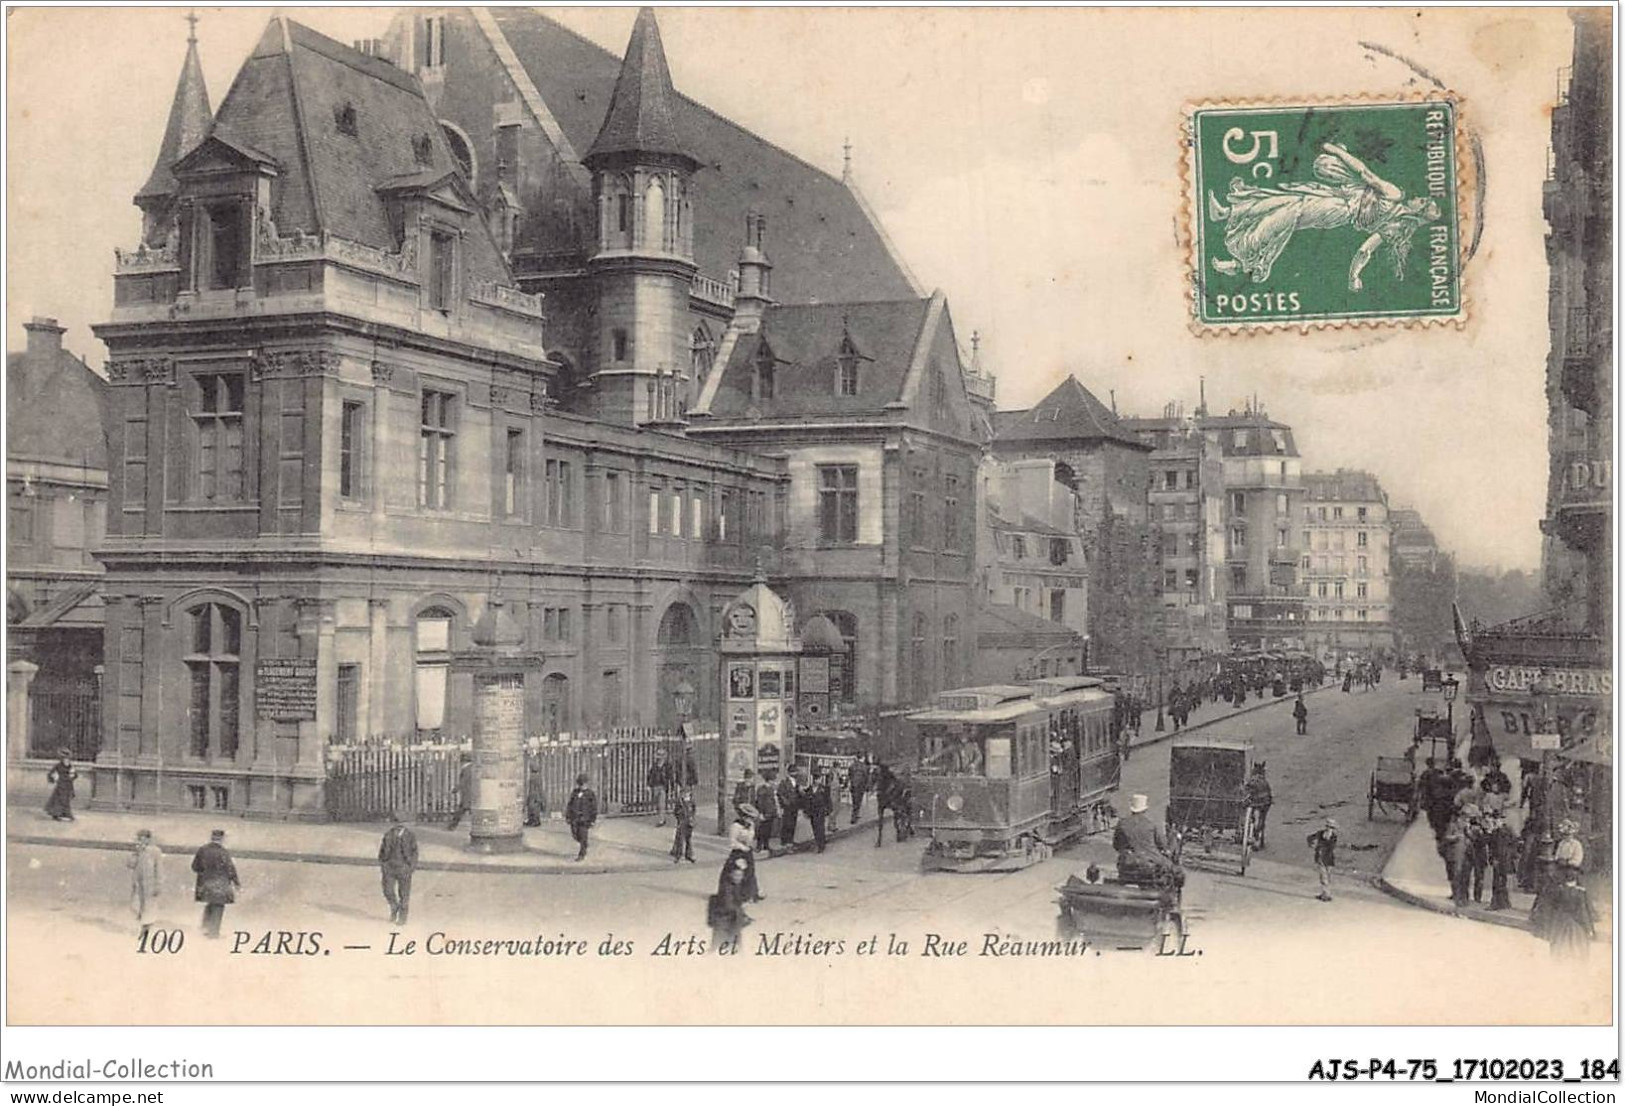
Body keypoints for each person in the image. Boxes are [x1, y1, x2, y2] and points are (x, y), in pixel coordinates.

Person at [1113, 794, 1181, 888]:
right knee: (1173, 869)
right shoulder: (1151, 825)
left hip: (1127, 863)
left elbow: (1116, 845)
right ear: (1145, 809)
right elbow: (1163, 846)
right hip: (1150, 862)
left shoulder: (1122, 824)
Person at [191, 829, 240, 938]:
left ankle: (205, 928)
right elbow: (230, 869)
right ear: (222, 839)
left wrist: (204, 874)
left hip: (206, 883)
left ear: (212, 837)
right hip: (220, 884)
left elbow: (195, 867)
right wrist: (236, 882)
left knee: (210, 904)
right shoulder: (224, 852)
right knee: (218, 906)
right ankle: (213, 933)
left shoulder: (203, 850)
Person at [1541, 870, 1596, 960]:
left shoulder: (1557, 890)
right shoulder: (1580, 893)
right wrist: (1589, 929)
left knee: (1558, 947)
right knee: (1578, 948)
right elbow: (1583, 912)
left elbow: (1550, 909)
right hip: (1575, 925)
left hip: (1559, 923)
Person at [378, 813, 419, 925]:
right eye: (396, 822)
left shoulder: (410, 836)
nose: (398, 825)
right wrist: (383, 864)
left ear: (406, 824)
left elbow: (414, 852)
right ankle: (394, 906)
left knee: (404, 894)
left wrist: (411, 866)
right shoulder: (388, 835)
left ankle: (403, 916)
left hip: (404, 867)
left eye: (402, 823)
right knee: (388, 890)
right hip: (389, 867)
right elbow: (382, 851)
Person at [708, 857, 753, 952]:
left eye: (740, 875)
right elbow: (728, 905)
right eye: (736, 875)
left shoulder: (736, 885)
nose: (738, 877)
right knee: (720, 946)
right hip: (724, 920)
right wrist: (741, 909)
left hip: (731, 919)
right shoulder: (726, 888)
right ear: (730, 874)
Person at [128, 829, 163, 938]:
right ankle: (142, 924)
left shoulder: (155, 851)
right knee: (136, 904)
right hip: (138, 882)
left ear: (148, 839)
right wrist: (135, 853)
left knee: (148, 906)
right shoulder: (138, 851)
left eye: (143, 839)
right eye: (139, 839)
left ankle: (145, 928)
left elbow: (159, 869)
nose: (141, 841)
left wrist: (158, 884)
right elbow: (130, 865)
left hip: (150, 883)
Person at [1485, 809, 1519, 912]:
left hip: (1503, 859)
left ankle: (1497, 903)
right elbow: (1490, 845)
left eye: (1498, 819)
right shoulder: (1497, 831)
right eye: (1495, 819)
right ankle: (1503, 902)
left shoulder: (1505, 831)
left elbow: (1514, 844)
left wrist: (1508, 856)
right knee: (1499, 881)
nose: (1496, 821)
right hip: (1500, 859)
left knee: (1499, 881)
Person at [728, 804, 763, 902]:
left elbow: (751, 838)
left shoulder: (751, 825)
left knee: (750, 873)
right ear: (743, 816)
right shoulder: (735, 826)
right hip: (738, 853)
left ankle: (753, 894)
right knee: (739, 874)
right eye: (748, 818)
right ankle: (738, 895)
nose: (750, 820)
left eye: (751, 818)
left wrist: (750, 846)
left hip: (748, 852)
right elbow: (732, 842)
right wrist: (743, 847)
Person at [564, 773, 598, 862]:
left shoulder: (590, 794)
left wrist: (592, 820)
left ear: (586, 784)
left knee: (583, 835)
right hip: (574, 818)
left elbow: (593, 807)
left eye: (583, 784)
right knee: (575, 835)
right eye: (580, 784)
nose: (582, 786)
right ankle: (584, 844)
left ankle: (582, 853)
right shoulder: (575, 792)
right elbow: (570, 805)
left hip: (585, 819)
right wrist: (568, 816)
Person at [1307, 817, 1338, 902]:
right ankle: (1326, 894)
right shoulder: (1321, 833)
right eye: (1328, 827)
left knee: (1327, 876)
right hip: (1321, 857)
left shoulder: (1333, 837)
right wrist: (1311, 844)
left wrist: (1318, 846)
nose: (1329, 829)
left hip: (1328, 858)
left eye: (1331, 827)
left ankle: (1326, 893)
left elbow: (1332, 846)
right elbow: (1310, 837)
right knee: (1323, 876)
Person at [1243, 762, 1273, 849]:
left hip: (1254, 801)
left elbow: (1247, 790)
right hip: (1264, 801)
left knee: (1253, 817)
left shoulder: (1251, 781)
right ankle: (1259, 837)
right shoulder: (1265, 782)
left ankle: (1253, 833)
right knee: (1262, 819)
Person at [44, 749, 77, 821]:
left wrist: (73, 775)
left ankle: (64, 814)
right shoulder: (58, 766)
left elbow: (75, 775)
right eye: (65, 759)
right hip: (61, 785)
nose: (67, 760)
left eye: (68, 759)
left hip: (68, 785)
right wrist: (53, 778)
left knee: (66, 800)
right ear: (62, 759)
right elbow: (51, 773)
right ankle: (57, 814)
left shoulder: (71, 766)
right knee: (59, 799)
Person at [753, 772, 780, 852]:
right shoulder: (762, 789)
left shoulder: (771, 789)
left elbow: (774, 801)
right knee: (762, 829)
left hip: (771, 812)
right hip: (764, 812)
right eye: (773, 780)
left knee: (768, 829)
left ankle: (766, 844)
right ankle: (759, 845)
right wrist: (760, 813)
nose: (774, 782)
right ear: (769, 780)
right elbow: (759, 802)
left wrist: (776, 811)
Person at [806, 771, 833, 853]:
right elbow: (807, 801)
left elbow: (828, 800)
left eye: (820, 779)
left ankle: (821, 845)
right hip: (812, 812)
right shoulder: (809, 789)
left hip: (820, 811)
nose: (819, 781)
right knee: (814, 827)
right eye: (817, 779)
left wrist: (828, 810)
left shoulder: (824, 789)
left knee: (820, 828)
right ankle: (818, 842)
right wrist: (806, 811)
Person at [446, 753, 474, 830]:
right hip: (471, 794)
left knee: (461, 810)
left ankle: (452, 826)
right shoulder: (472, 768)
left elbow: (463, 782)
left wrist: (455, 789)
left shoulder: (466, 770)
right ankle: (452, 825)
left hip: (467, 794)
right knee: (465, 810)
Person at [777, 768, 803, 849]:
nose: (795, 773)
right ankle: (784, 841)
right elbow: (780, 794)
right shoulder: (784, 782)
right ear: (789, 773)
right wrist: (785, 802)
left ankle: (790, 840)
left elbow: (799, 793)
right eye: (793, 772)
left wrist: (801, 793)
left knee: (793, 823)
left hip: (795, 805)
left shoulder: (797, 782)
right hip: (788, 806)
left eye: (796, 772)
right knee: (786, 823)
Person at [670, 787, 697, 864]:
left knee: (689, 839)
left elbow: (694, 810)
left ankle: (689, 854)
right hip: (682, 822)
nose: (685, 796)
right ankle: (678, 855)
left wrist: (692, 818)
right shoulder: (680, 802)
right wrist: (679, 817)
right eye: (684, 794)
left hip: (689, 822)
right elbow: (675, 811)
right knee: (680, 839)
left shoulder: (691, 802)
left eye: (687, 794)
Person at [647, 752, 672, 828]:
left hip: (662, 786)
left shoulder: (667, 766)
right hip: (655, 786)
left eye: (661, 756)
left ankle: (661, 820)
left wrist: (671, 786)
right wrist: (648, 785)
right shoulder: (654, 766)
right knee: (657, 802)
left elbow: (670, 776)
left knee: (661, 803)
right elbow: (650, 775)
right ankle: (660, 817)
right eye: (658, 756)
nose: (659, 758)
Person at [523, 751, 547, 827]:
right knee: (534, 808)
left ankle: (534, 820)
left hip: (534, 795)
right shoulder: (538, 777)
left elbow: (533, 788)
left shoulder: (533, 777)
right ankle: (534, 820)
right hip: (536, 795)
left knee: (532, 808)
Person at [848, 756, 870, 825]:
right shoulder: (864, 767)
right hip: (860, 786)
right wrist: (867, 787)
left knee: (854, 801)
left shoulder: (852, 766)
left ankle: (855, 815)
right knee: (858, 802)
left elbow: (850, 775)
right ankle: (854, 817)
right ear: (862, 758)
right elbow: (866, 777)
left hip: (853, 786)